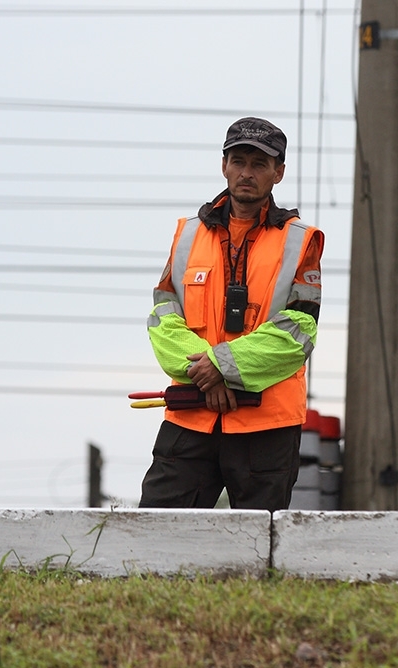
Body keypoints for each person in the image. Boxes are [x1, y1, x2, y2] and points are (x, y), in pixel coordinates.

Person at [139, 117, 324, 511]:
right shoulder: (187, 235)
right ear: (223, 165)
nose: (246, 173)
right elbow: (162, 318)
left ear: (279, 173)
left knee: (260, 552)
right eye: (238, 161)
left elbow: (299, 332)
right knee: (154, 534)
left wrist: (219, 366)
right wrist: (206, 375)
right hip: (191, 415)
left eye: (259, 164)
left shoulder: (301, 241)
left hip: (267, 425)